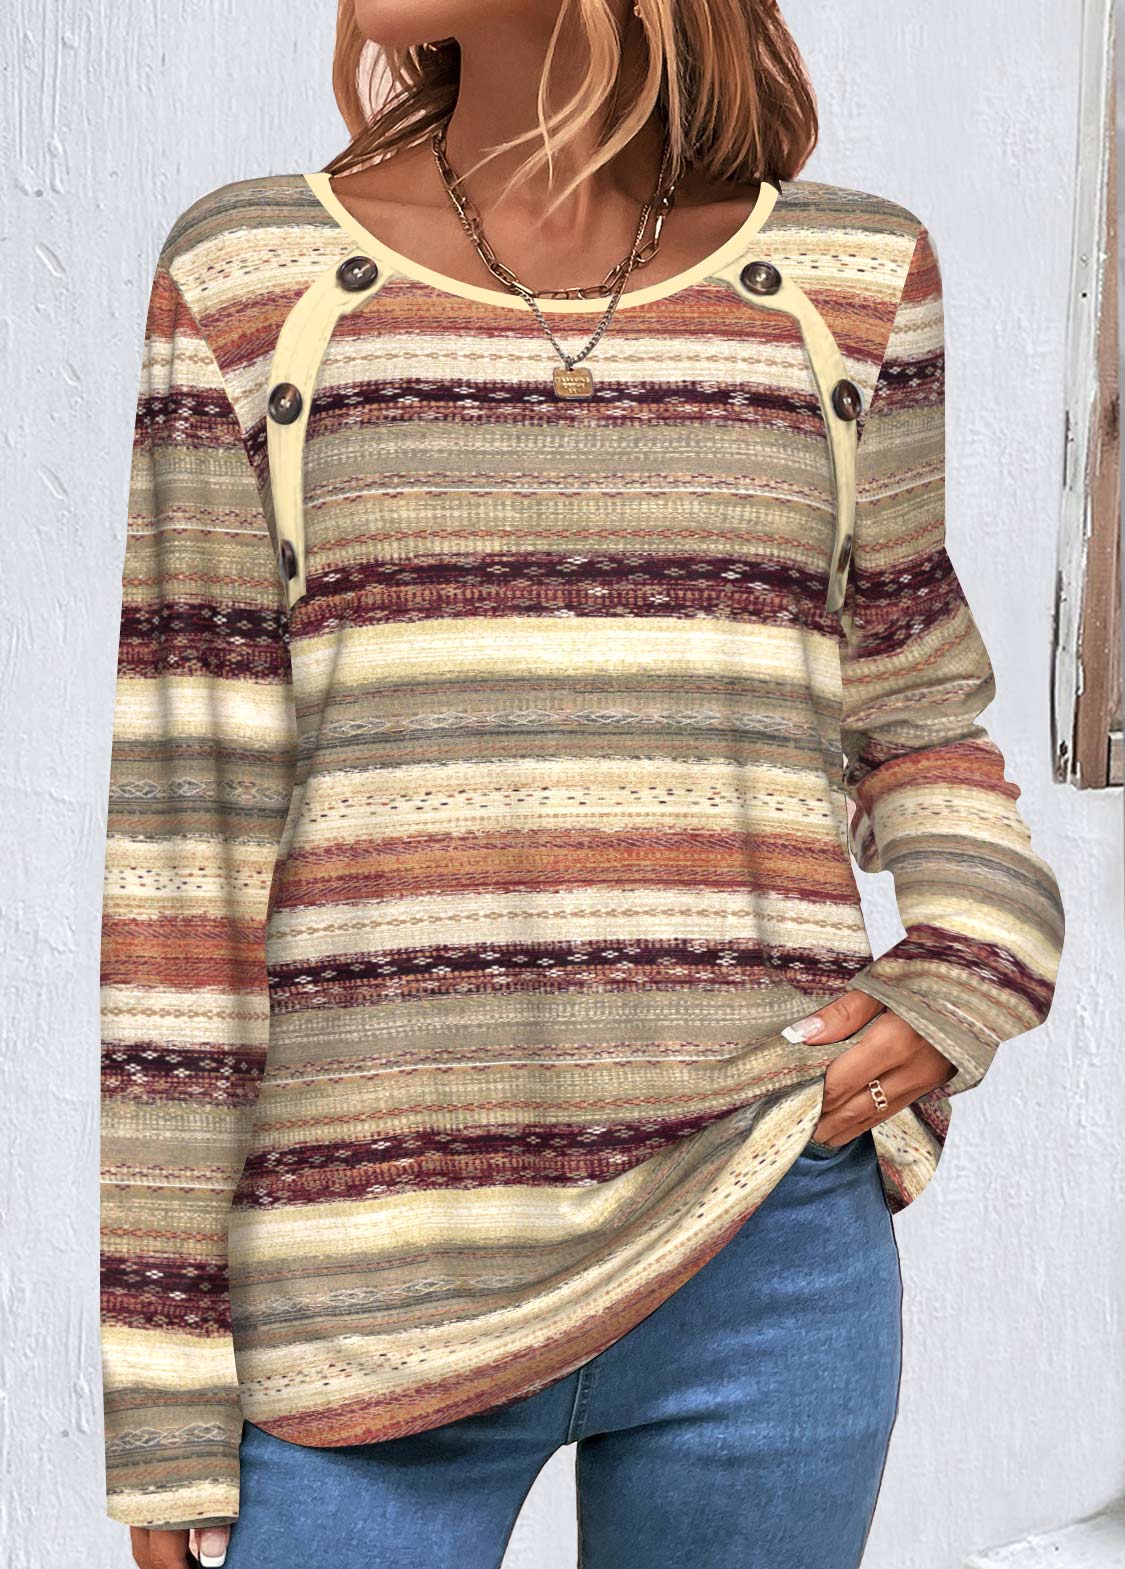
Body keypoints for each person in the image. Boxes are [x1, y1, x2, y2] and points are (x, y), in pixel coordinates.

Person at [97, 3, 1066, 1566]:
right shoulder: (251, 279)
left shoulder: (848, 282)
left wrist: (978, 950)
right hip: (363, 1290)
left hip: (763, 1237)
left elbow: (912, 698)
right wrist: (160, 1380)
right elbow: (183, 845)